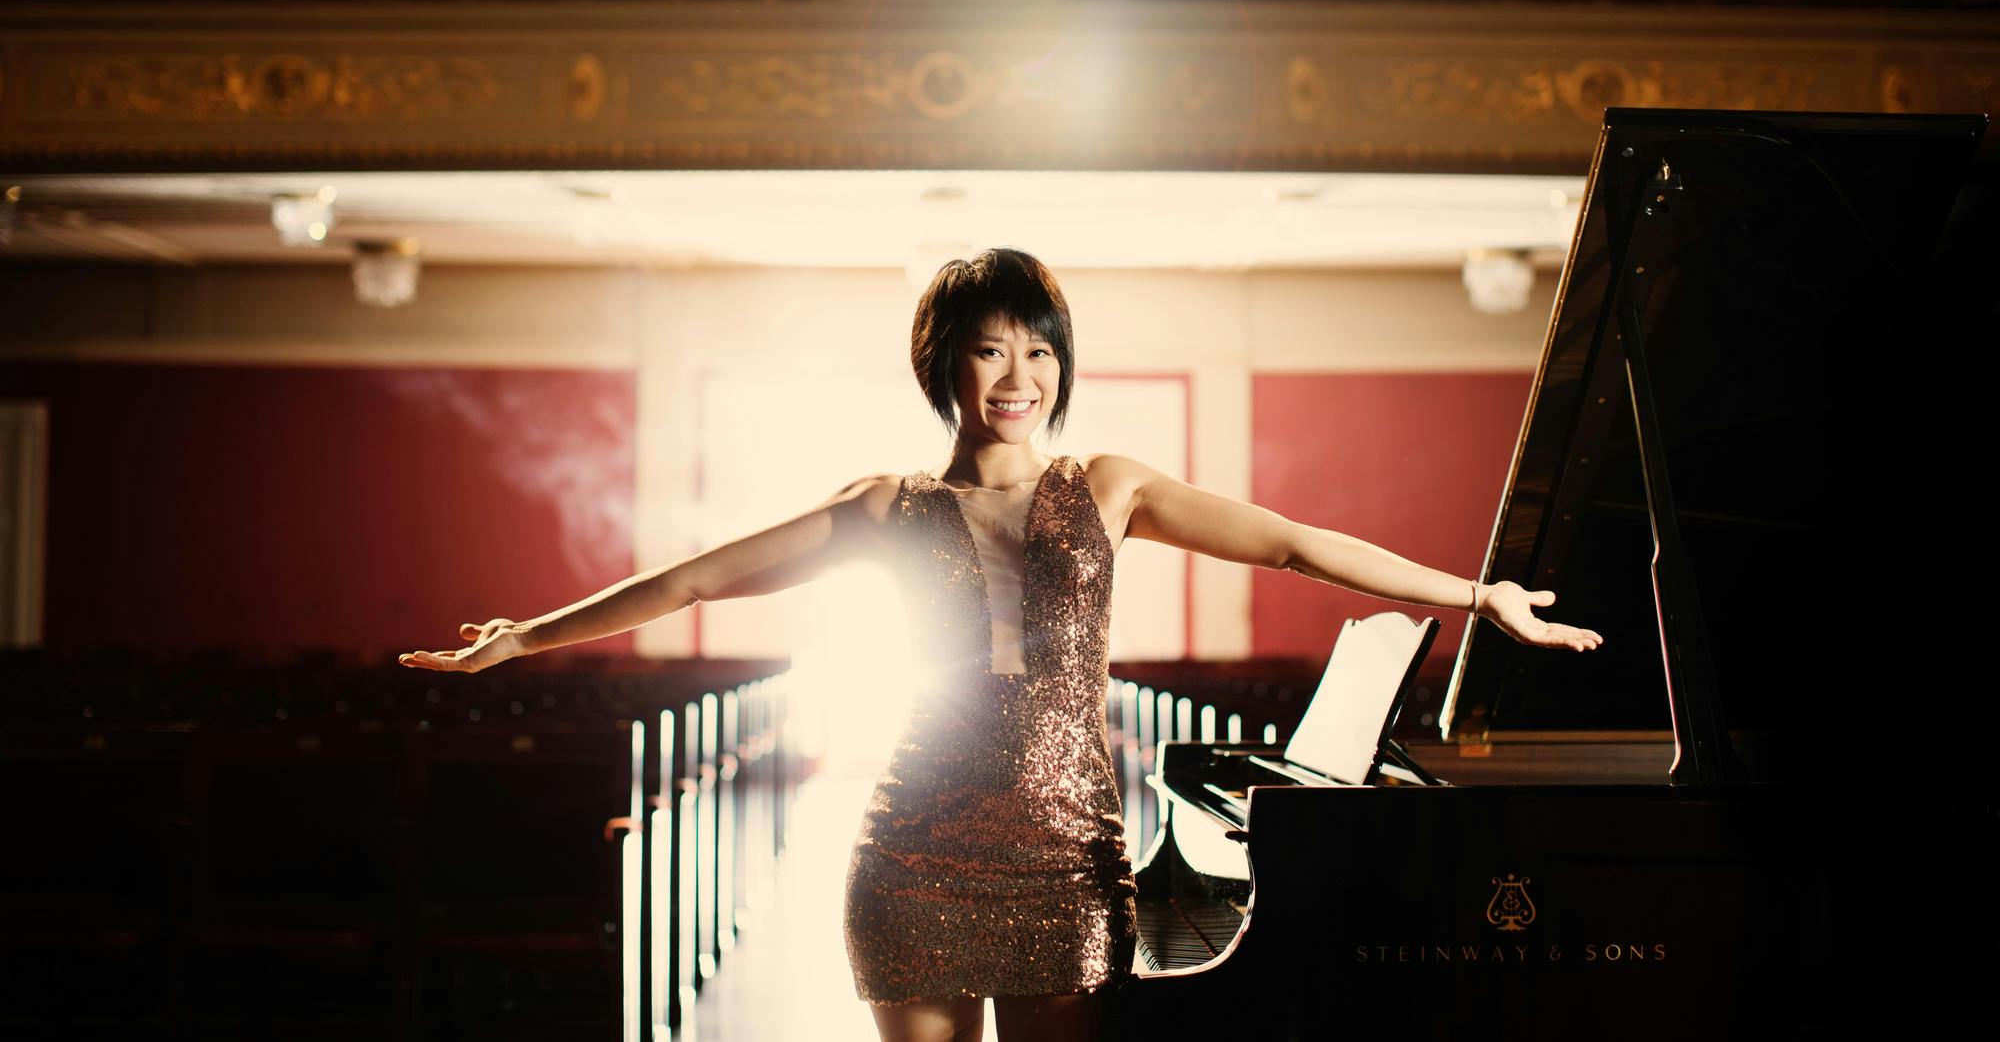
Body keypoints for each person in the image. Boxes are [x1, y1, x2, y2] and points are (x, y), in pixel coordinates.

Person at [400, 247, 1602, 1042]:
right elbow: (689, 580)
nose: (1017, 373)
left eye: (1037, 348)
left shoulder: (1113, 484)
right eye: (989, 347)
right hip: (910, 850)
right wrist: (529, 635)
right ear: (946, 366)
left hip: (1068, 858)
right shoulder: (881, 506)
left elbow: (1290, 542)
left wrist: (1475, 589)